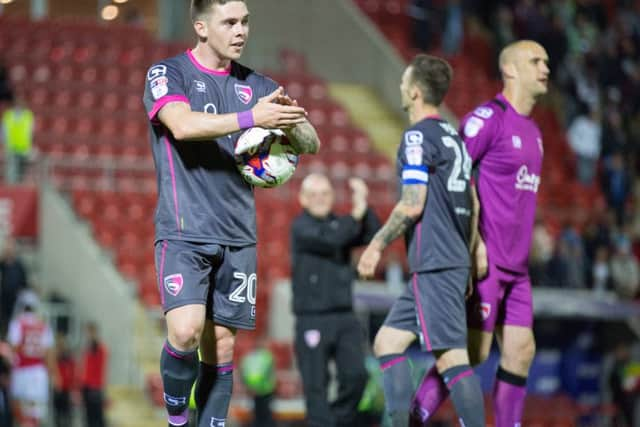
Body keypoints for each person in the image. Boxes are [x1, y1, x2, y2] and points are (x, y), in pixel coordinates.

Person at [141, 1, 320, 426]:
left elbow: (311, 142)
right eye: (230, 22)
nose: (241, 31)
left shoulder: (257, 85)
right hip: (184, 229)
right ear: (201, 26)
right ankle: (177, 419)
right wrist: (253, 117)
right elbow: (181, 125)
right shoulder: (169, 74)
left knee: (221, 345)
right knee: (185, 331)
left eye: (245, 22)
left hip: (238, 235)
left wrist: (289, 122)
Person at [411, 40, 549, 427]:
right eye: (535, 61)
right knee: (472, 354)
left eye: (547, 62)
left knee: (521, 350)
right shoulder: (488, 119)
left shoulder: (535, 132)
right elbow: (452, 176)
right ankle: (414, 417)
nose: (545, 68)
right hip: (485, 262)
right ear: (511, 70)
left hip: (518, 269)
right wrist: (473, 243)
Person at [357, 53, 484, 427]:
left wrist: (376, 245)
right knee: (387, 342)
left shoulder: (417, 136)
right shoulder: (453, 137)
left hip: (436, 261)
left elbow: (413, 204)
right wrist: (469, 256)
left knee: (450, 359)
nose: (398, 86)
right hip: (445, 262)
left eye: (402, 82)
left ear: (414, 92)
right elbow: (473, 204)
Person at [290, 173, 380, 427]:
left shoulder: (340, 224)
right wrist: (357, 212)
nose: (319, 199)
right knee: (315, 385)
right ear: (303, 199)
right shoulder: (302, 228)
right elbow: (335, 237)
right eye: (313, 194)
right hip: (311, 318)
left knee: (356, 376)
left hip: (344, 316)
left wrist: (364, 203)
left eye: (325, 193)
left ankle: (337, 422)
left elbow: (371, 233)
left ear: (332, 197)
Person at [6, 290, 58, 427]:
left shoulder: (18, 324)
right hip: (38, 372)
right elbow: (49, 354)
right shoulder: (44, 325)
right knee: (35, 413)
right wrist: (52, 374)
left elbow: (14, 349)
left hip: (22, 370)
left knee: (20, 411)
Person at [1, 93, 34, 184]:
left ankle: (21, 184)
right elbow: (3, 131)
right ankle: (12, 186)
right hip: (11, 147)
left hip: (24, 148)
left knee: (23, 171)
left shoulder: (28, 115)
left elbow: (30, 132)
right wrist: (4, 144)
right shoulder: (8, 115)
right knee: (12, 170)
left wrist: (29, 146)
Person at [80, 322, 108, 427]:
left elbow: (100, 366)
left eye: (90, 333)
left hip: (95, 387)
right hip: (86, 386)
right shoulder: (88, 348)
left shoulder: (99, 348)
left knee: (97, 417)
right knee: (88, 417)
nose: (88, 335)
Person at [0, 236, 28, 335]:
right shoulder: (3, 263)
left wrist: (22, 290)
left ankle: (11, 337)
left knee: (14, 319)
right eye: (8, 248)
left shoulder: (19, 265)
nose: (10, 250)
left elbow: (24, 280)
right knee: (3, 318)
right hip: (3, 296)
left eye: (12, 247)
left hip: (15, 297)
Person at [53, 333, 75, 427]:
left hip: (67, 390)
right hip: (57, 389)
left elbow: (73, 375)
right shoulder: (54, 359)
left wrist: (73, 390)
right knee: (57, 415)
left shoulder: (69, 359)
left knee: (67, 415)